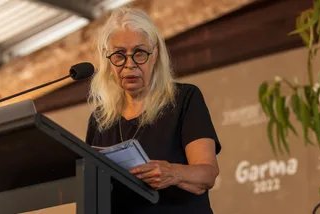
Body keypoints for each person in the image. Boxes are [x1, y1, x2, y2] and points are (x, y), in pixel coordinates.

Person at [85, 6, 221, 214]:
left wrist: (171, 172)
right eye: (119, 55)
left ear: (155, 54)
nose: (129, 64)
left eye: (139, 53)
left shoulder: (184, 99)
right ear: (107, 59)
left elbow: (207, 175)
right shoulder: (100, 119)